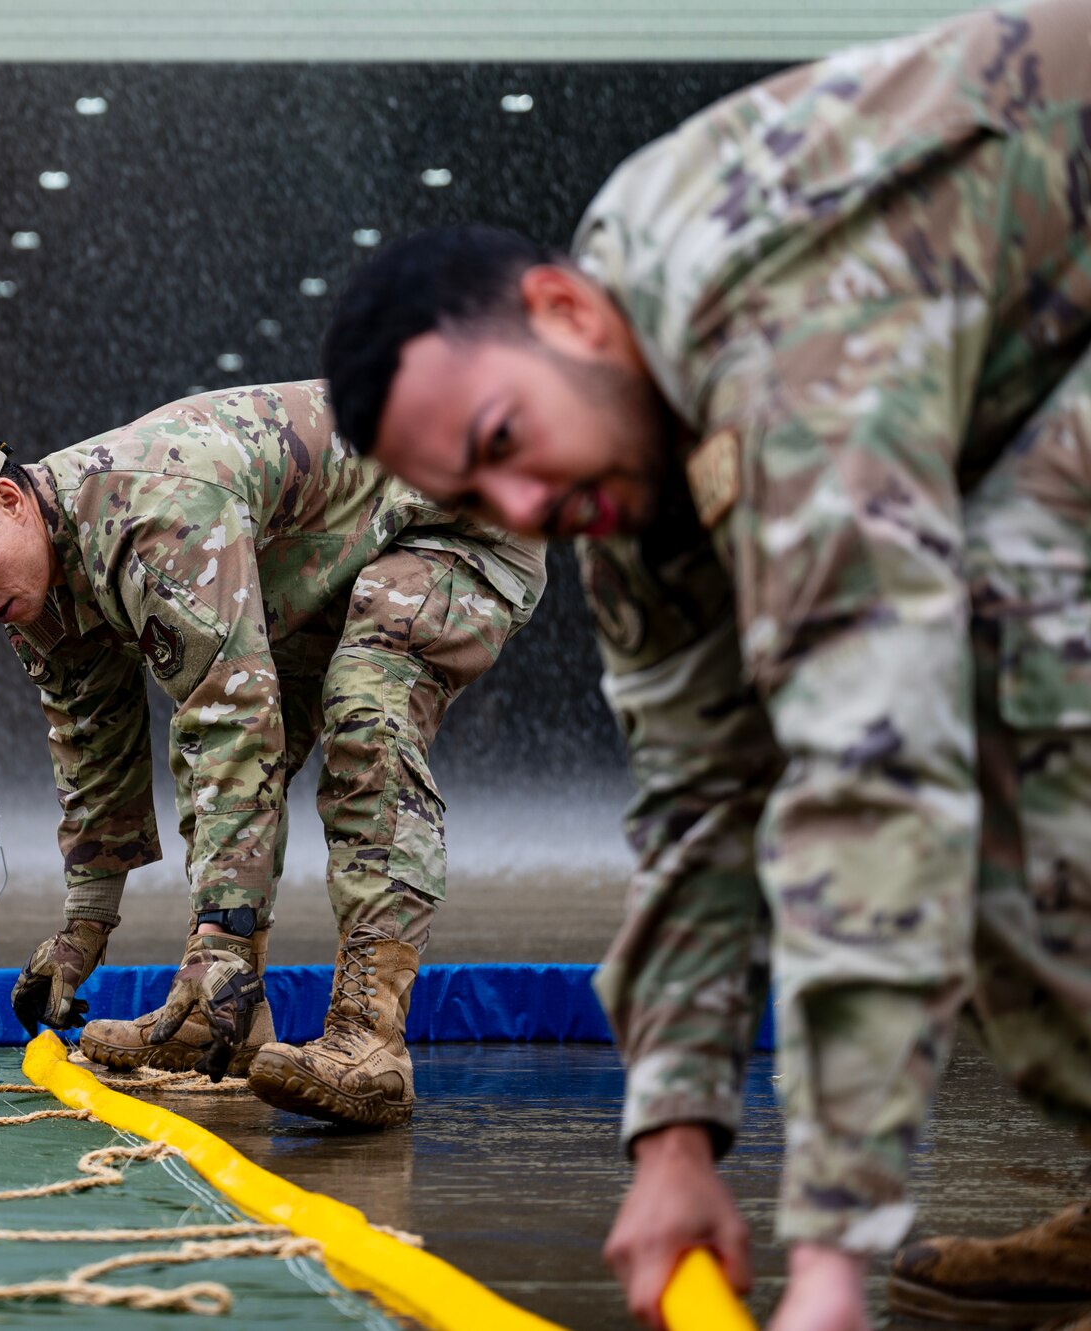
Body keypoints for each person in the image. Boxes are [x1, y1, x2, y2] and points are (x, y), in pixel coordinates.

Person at [318, 1, 1091, 1325]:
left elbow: (877, 761)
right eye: (477, 490)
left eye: (507, 433)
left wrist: (831, 1260)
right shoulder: (622, 465)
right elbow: (700, 797)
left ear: (563, 309)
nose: (524, 501)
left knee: (986, 654)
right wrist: (671, 1140)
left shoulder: (767, 327)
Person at [0, 382, 545, 1127]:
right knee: (212, 738)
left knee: (365, 710)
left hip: (466, 517)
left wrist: (218, 934)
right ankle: (223, 1014)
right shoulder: (35, 587)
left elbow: (234, 724)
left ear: (9, 498)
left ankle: (371, 1040)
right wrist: (83, 927)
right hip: (339, 552)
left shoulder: (156, 514)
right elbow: (93, 742)